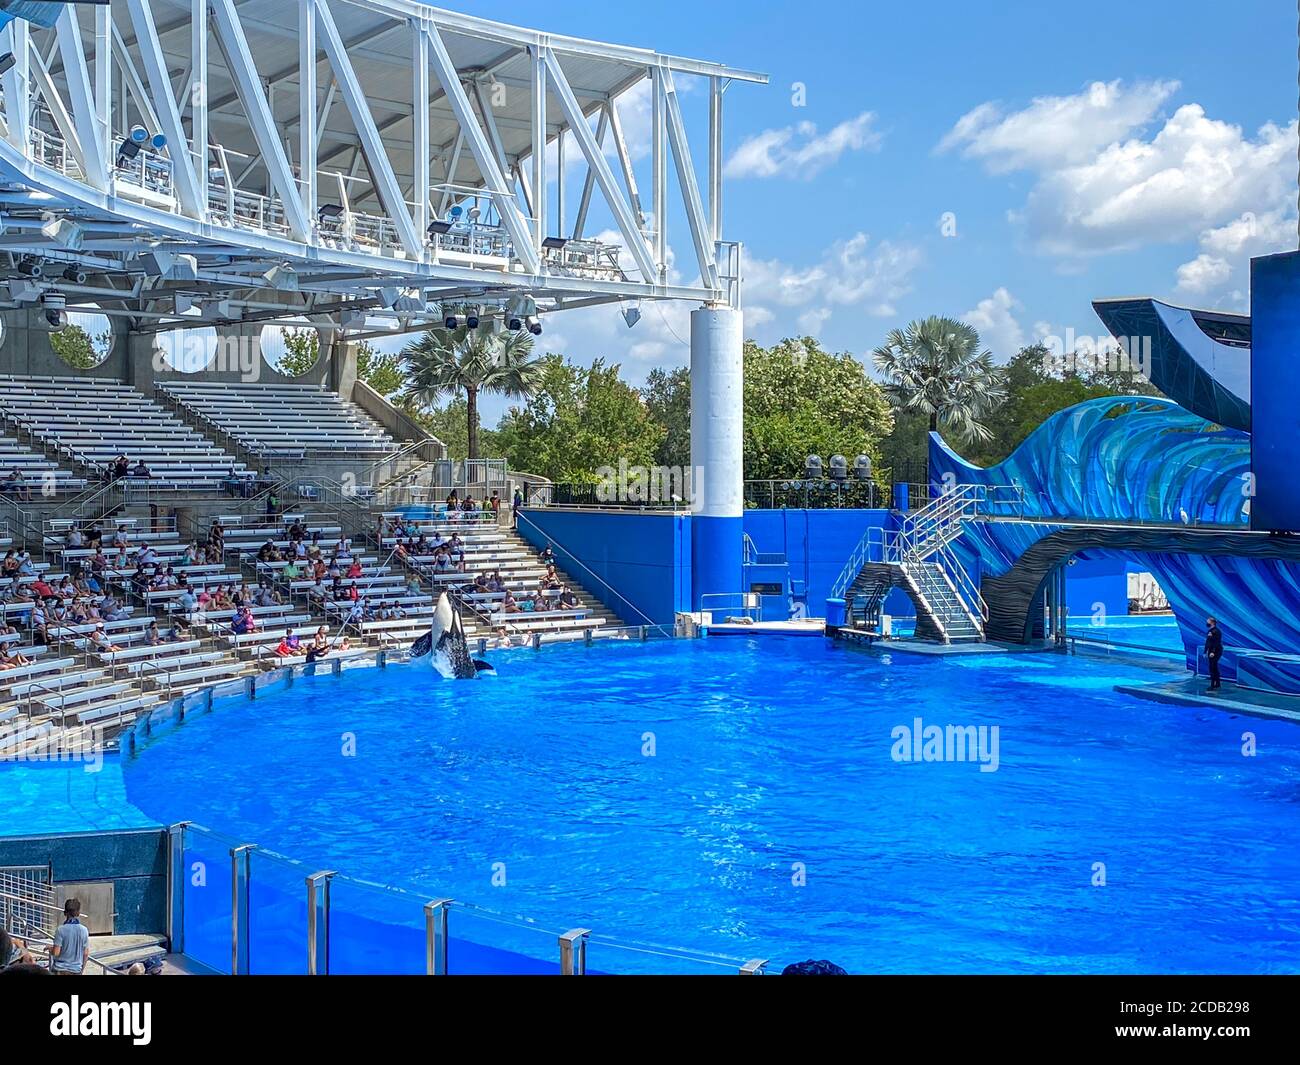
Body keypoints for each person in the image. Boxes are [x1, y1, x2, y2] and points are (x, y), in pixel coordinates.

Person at [49, 898, 90, 975]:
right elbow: (86, 953)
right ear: (78, 913)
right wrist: (81, 970)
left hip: (60, 970)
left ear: (65, 913)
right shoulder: (84, 930)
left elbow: (56, 953)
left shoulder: (60, 930)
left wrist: (50, 949)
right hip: (76, 970)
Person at [1205, 616, 1224, 691]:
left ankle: (1213, 685)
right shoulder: (1210, 631)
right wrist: (1205, 651)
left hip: (1216, 651)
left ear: (1212, 623)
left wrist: (1212, 652)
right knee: (1214, 667)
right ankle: (1217, 683)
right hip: (1211, 651)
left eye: (1208, 622)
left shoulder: (1216, 631)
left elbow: (1216, 642)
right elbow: (1208, 642)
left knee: (1212, 667)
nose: (1207, 623)